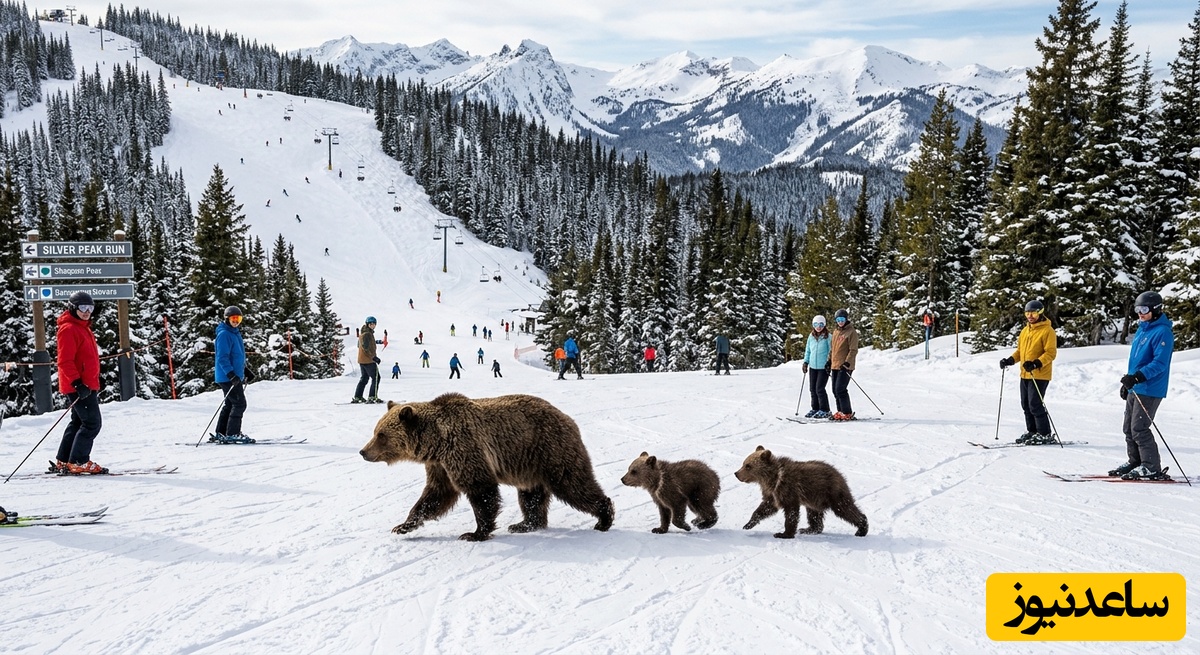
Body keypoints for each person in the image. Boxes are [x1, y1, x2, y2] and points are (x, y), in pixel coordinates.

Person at [1109, 291, 1175, 480]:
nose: (1140, 313)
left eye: (1144, 309)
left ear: (1155, 309)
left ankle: (1151, 466)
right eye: (1137, 309)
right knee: (1128, 428)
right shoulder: (1143, 329)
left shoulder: (1163, 332)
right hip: (1136, 386)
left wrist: (1138, 377)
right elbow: (1137, 361)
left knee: (1139, 428)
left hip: (1150, 388)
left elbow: (1160, 363)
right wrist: (1129, 382)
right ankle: (1136, 462)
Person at [52, 291, 106, 474]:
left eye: (90, 308)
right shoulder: (69, 329)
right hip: (78, 385)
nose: (87, 311)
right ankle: (79, 460)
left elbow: (86, 359)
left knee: (77, 422)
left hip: (86, 384)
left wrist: (94, 378)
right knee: (92, 423)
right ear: (73, 308)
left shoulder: (82, 327)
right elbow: (64, 361)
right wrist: (77, 383)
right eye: (83, 307)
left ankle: (64, 459)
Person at [999, 300, 1057, 444]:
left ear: (1040, 313)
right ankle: (1032, 431)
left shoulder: (1047, 331)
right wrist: (1010, 360)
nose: (1030, 316)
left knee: (1035, 404)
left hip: (1040, 374)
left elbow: (1050, 353)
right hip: (1025, 374)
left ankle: (1044, 434)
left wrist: (1036, 363)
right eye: (1027, 313)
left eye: (1033, 312)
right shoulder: (1025, 330)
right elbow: (1020, 351)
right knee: (1025, 404)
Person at [212, 305, 256, 442]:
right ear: (227, 319)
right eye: (233, 318)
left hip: (231, 375)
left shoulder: (234, 333)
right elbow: (222, 357)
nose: (236, 321)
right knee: (239, 404)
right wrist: (231, 374)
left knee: (230, 404)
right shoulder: (224, 334)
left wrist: (244, 370)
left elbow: (236, 356)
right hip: (227, 377)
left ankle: (222, 432)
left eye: (239, 318)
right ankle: (233, 433)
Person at [829, 309, 860, 421]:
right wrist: (829, 361)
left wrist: (847, 362)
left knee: (840, 389)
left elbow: (853, 350)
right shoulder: (836, 332)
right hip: (835, 365)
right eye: (838, 320)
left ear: (846, 319)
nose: (840, 322)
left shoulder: (851, 332)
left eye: (842, 319)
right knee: (834, 390)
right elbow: (832, 349)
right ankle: (840, 411)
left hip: (846, 366)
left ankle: (847, 412)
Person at [802, 315, 833, 419]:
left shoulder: (828, 337)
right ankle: (815, 408)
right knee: (812, 389)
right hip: (813, 367)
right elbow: (808, 350)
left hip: (823, 367)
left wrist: (829, 362)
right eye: (816, 324)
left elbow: (831, 351)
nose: (818, 327)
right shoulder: (811, 336)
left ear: (824, 325)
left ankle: (825, 409)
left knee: (819, 388)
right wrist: (805, 362)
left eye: (821, 324)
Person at [352, 316, 383, 403]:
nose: (373, 326)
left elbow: (359, 345)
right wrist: (373, 357)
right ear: (367, 324)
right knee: (376, 377)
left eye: (374, 324)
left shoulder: (363, 333)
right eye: (371, 324)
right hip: (369, 360)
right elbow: (365, 347)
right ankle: (372, 396)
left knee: (364, 378)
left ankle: (358, 396)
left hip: (362, 360)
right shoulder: (367, 334)